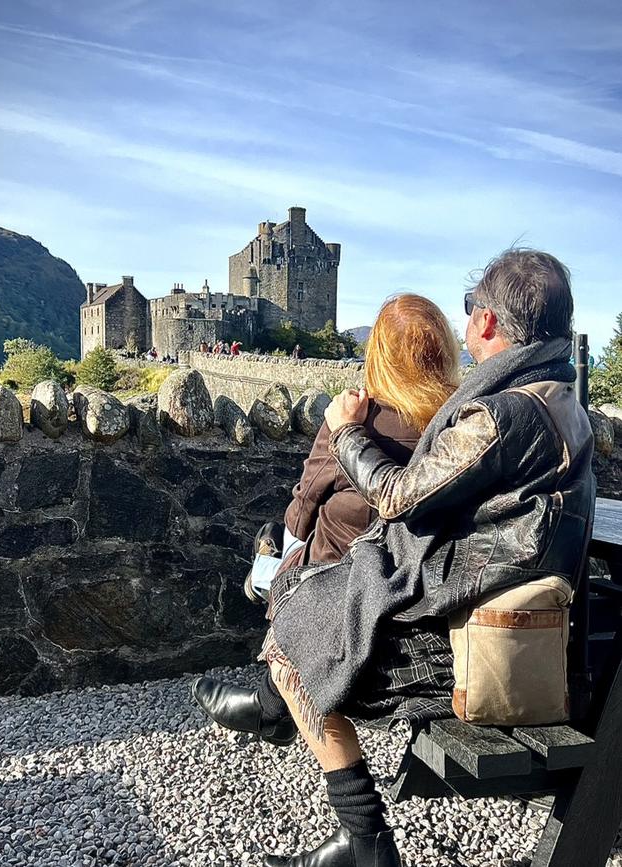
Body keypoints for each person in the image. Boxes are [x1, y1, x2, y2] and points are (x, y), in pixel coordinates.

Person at [194, 249, 596, 866]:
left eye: (471, 312)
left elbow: (397, 498)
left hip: (469, 641)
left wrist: (347, 429)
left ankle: (366, 841)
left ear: (486, 323)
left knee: (294, 641)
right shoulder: (559, 398)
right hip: (502, 612)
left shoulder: (504, 413)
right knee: (315, 605)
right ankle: (284, 724)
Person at [243, 294, 460, 605]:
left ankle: (264, 576)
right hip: (422, 589)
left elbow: (305, 503)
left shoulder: (353, 418)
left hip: (334, 582)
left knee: (278, 536)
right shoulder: (464, 425)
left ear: (379, 356)